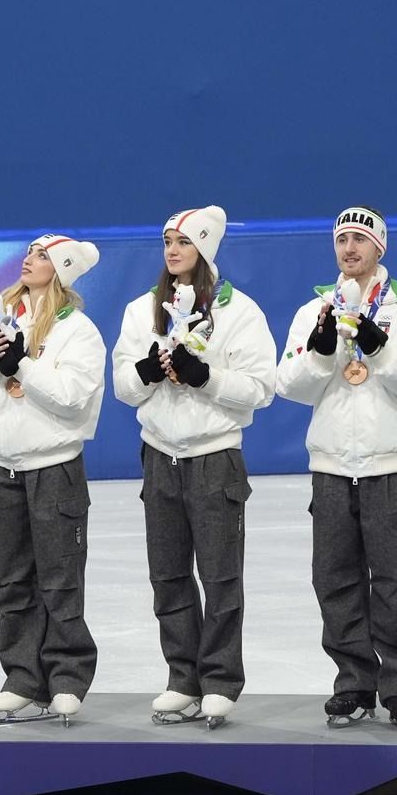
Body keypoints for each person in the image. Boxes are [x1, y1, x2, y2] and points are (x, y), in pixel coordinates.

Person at [275, 206, 397, 730]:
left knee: (395, 581)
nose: (349, 248)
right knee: (334, 581)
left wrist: (381, 348)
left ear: (380, 247)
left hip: (389, 466)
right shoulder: (314, 312)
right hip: (331, 466)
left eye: (359, 239)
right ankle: (353, 683)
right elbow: (288, 385)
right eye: (341, 239)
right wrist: (320, 353)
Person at [112, 205, 276, 728]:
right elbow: (122, 386)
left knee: (221, 576)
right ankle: (183, 677)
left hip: (214, 458)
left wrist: (206, 377)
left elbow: (262, 388)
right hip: (159, 456)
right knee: (168, 575)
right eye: (167, 242)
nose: (173, 250)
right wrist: (145, 372)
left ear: (204, 248)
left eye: (183, 242)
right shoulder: (143, 310)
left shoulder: (239, 311)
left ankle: (221, 680)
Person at [0, 234, 104, 725]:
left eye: (42, 255)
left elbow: (72, 398)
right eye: (29, 252)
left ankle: (66, 677)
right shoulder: (1, 319)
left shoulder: (78, 330)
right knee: (10, 579)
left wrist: (21, 364)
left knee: (59, 579)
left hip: (53, 468)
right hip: (2, 466)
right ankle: (22, 677)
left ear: (61, 269)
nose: (29, 259)